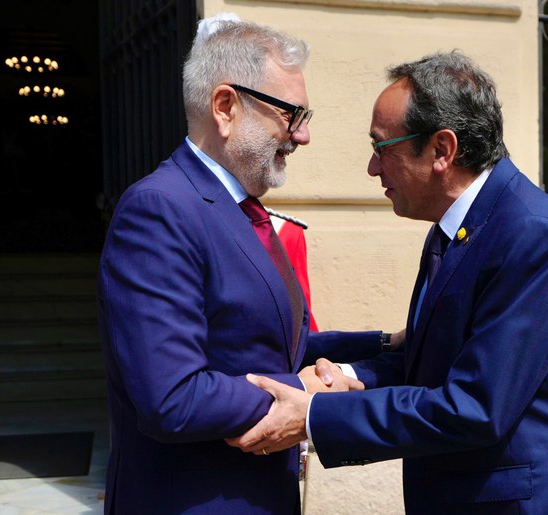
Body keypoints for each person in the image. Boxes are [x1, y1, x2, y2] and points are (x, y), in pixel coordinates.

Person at [227, 51, 548, 514]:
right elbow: (433, 364)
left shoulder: (532, 236)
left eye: (382, 148)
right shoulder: (457, 225)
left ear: (442, 150)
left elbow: (476, 407)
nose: (373, 169)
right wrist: (346, 377)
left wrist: (313, 416)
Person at [96, 13, 389, 514]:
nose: (302, 136)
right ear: (226, 107)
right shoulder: (159, 209)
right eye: (291, 114)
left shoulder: (238, 208)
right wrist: (303, 390)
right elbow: (172, 397)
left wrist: (382, 345)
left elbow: (266, 344)